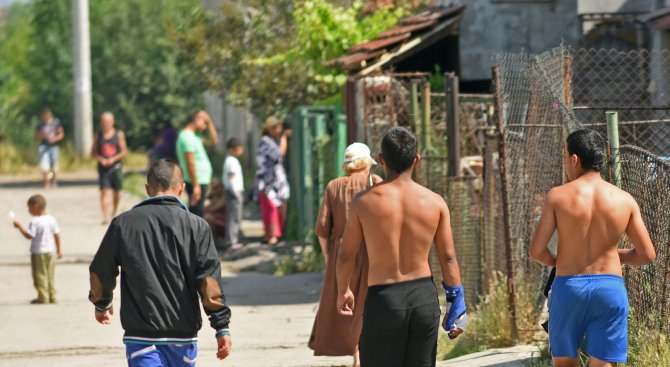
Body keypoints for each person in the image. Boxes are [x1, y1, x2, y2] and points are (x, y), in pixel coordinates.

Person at [336, 127, 467, 367]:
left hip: (384, 300)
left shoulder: (363, 203)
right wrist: (456, 303)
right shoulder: (435, 202)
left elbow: (346, 255)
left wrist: (343, 290)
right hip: (423, 300)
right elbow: (448, 258)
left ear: (381, 160)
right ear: (416, 160)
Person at [529, 129, 656, 367]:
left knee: (565, 363)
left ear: (574, 159)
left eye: (565, 156)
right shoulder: (624, 199)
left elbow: (536, 251)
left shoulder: (557, 197)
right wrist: (618, 255)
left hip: (569, 288)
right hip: (609, 289)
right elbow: (647, 254)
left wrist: (562, 259)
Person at [88, 159, 232, 365]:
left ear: (148, 189)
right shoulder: (197, 226)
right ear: (182, 188)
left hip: (141, 335)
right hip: (183, 335)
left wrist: (102, 303)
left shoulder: (123, 224)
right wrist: (221, 326)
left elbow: (101, 269)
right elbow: (209, 280)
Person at [309, 142, 381, 367]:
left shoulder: (334, 186)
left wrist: (328, 257)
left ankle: (356, 352)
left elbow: (322, 229)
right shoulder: (375, 182)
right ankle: (363, 350)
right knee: (367, 301)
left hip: (342, 251)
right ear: (367, 162)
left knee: (344, 301)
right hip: (371, 249)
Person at [12, 194, 62, 304]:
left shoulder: (35, 221)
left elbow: (29, 236)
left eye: (29, 208)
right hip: (51, 251)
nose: (29, 210)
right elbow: (57, 235)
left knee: (40, 275)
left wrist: (19, 226)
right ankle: (52, 296)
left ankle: (43, 297)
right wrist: (59, 250)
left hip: (38, 252)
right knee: (50, 275)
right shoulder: (51, 219)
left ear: (36, 206)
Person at [255, 116, 290, 245]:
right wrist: (284, 138)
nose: (280, 130)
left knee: (277, 207)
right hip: (267, 181)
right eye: (278, 127)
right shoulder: (266, 141)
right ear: (270, 128)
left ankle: (274, 235)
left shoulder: (272, 140)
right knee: (271, 208)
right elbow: (280, 153)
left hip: (276, 182)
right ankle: (271, 236)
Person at [176, 110, 218, 217]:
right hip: (196, 181)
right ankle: (193, 234)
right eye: (204, 122)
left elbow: (214, 141)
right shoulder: (187, 137)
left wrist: (210, 123)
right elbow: (190, 162)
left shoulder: (196, 136)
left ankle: (194, 233)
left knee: (198, 211)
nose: (205, 126)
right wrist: (196, 185)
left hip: (200, 180)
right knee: (196, 213)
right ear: (196, 119)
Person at [91, 112, 128, 224]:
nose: (105, 124)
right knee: (104, 192)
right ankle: (106, 217)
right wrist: (101, 159)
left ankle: (115, 211)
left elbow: (124, 151)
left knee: (117, 193)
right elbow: (93, 153)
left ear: (112, 122)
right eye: (103, 122)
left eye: (107, 121)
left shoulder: (119, 134)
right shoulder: (98, 136)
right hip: (103, 168)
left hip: (116, 167)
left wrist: (113, 159)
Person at [223, 137, 245, 251]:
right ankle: (232, 242)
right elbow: (231, 178)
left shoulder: (231, 160)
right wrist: (236, 193)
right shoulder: (231, 161)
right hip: (234, 193)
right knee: (234, 217)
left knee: (235, 216)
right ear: (232, 149)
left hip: (233, 192)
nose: (241, 150)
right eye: (239, 148)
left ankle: (232, 240)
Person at [35, 108, 65, 188]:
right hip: (44, 146)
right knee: (44, 166)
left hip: (54, 147)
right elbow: (36, 136)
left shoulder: (56, 123)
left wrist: (54, 139)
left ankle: (53, 181)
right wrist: (43, 136)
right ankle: (46, 182)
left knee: (54, 166)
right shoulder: (40, 124)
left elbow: (61, 134)